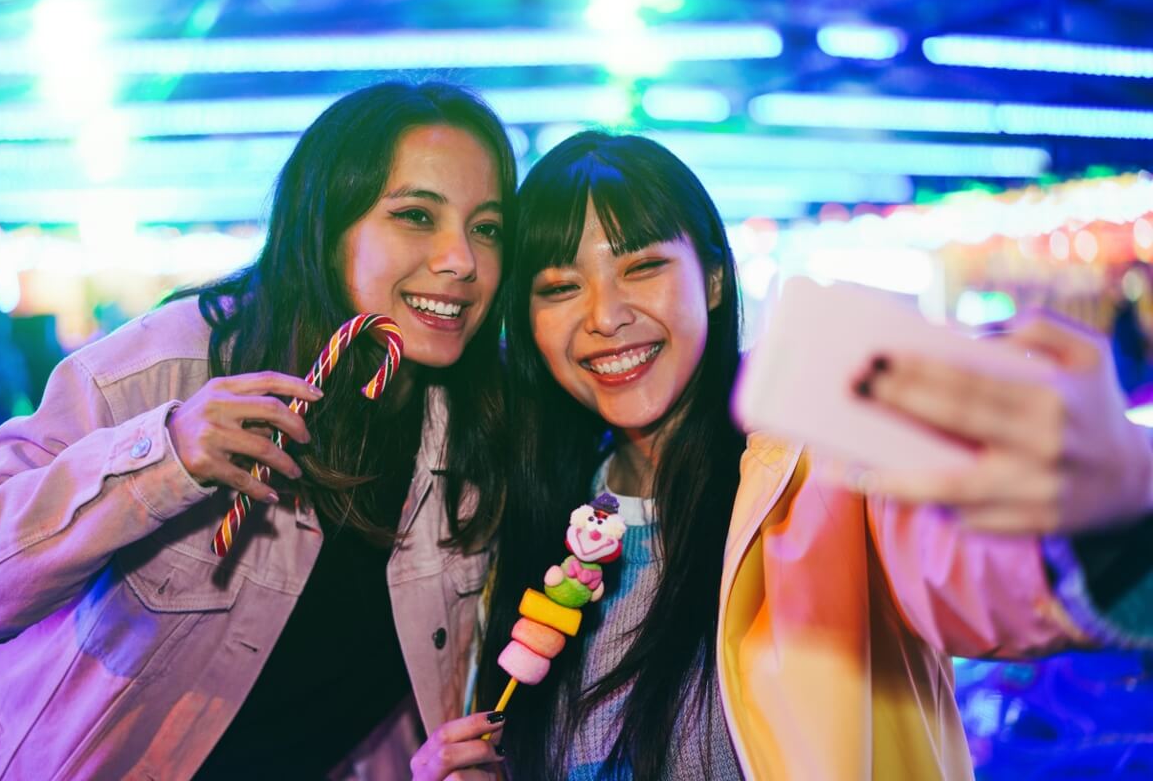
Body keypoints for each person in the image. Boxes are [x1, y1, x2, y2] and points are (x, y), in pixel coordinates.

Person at [409, 131, 1153, 780]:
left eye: (641, 268)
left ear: (713, 276)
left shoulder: (822, 464)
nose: (606, 317)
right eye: (561, 287)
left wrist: (1106, 515)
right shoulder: (536, 515)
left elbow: (968, 571)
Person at [0, 80, 516, 780]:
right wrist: (162, 458)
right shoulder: (177, 360)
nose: (461, 259)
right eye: (416, 216)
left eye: (486, 227)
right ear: (327, 224)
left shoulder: (476, 436)